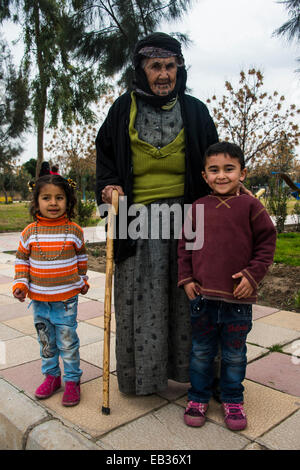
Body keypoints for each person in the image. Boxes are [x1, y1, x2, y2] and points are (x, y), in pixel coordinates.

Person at [95, 32, 219, 396]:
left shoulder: (195, 110)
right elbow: (105, 161)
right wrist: (108, 189)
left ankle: (194, 375)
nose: (164, 74)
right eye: (155, 67)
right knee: (141, 302)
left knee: (189, 301)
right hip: (136, 221)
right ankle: (141, 379)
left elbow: (214, 160)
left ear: (179, 68)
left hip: (187, 219)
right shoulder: (122, 109)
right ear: (141, 70)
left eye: (170, 66)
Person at [177, 141, 276, 430]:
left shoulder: (251, 206)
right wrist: (187, 280)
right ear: (204, 175)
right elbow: (185, 247)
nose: (221, 176)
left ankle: (233, 399)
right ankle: (197, 397)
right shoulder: (197, 208)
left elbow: (267, 244)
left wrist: (252, 276)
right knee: (201, 352)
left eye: (229, 169)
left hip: (238, 301)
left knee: (234, 354)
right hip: (203, 299)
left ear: (242, 173)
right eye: (214, 170)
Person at [13, 175, 89, 407]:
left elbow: (82, 258)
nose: (53, 203)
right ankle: (52, 377)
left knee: (67, 342)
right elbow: (22, 261)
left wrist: (83, 279)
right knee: (46, 341)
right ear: (36, 202)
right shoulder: (29, 232)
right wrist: (20, 284)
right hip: (39, 301)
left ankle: (73, 380)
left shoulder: (74, 231)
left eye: (59, 198)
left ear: (68, 201)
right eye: (46, 198)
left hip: (66, 300)